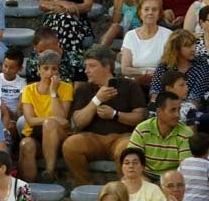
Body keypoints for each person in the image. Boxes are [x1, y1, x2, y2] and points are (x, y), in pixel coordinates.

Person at [63, 46, 148, 186]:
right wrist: (96, 99)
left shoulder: (129, 85)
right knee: (71, 144)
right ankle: (85, 187)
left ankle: (128, 190)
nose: (86, 71)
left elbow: (140, 117)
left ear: (107, 67)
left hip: (122, 137)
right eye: (86, 66)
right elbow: (77, 123)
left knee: (127, 147)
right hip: (92, 138)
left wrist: (115, 115)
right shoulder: (84, 89)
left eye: (92, 66)